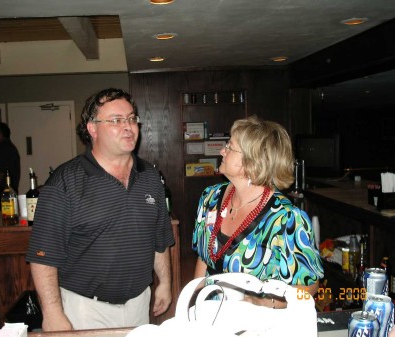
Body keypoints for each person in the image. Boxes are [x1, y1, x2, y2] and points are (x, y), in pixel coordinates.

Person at [26, 88, 174, 331]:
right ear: (92, 129)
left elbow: (160, 239)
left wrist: (165, 283)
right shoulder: (65, 182)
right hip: (84, 309)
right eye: (116, 120)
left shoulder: (149, 177)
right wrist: (52, 313)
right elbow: (43, 257)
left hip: (139, 303)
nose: (128, 127)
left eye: (131, 118)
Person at [192, 115, 324, 308]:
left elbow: (310, 288)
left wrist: (260, 302)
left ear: (251, 162)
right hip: (210, 317)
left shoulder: (286, 219)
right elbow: (204, 260)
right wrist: (194, 303)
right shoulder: (210, 198)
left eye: (229, 146)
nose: (222, 150)